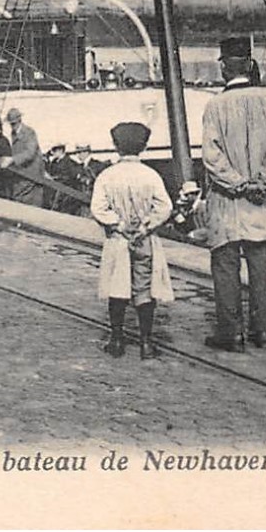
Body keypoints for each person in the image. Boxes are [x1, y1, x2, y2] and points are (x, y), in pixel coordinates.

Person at [199, 36, 266, 352]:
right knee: (261, 270)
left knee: (226, 268)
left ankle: (231, 334)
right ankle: (263, 332)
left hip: (228, 203)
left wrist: (239, 184)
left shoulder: (215, 106)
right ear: (250, 65)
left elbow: (212, 156)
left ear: (224, 68)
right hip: (264, 203)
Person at [90, 121, 175, 359]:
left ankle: (116, 340)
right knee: (144, 289)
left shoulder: (107, 175)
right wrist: (146, 225)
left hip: (118, 239)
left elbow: (98, 208)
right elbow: (164, 206)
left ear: (116, 146)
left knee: (117, 288)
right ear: (144, 146)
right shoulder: (150, 175)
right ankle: (146, 343)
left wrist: (117, 223)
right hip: (143, 239)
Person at [5, 107, 49, 209]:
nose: (13, 127)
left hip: (33, 173)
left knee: (32, 202)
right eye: (11, 124)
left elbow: (30, 153)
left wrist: (13, 159)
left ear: (20, 121)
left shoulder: (29, 133)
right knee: (19, 199)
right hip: (22, 172)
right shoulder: (13, 133)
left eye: (14, 124)